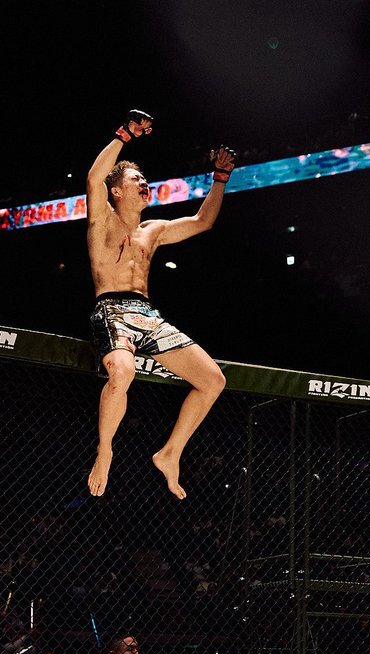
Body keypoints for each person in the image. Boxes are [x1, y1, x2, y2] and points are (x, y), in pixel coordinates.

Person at [85, 110, 235, 500]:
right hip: (112, 309)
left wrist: (220, 178)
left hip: (148, 315)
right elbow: (94, 178)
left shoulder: (153, 230)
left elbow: (202, 221)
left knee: (213, 380)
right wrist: (124, 134)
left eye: (144, 179)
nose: (144, 183)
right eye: (136, 179)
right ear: (117, 191)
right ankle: (105, 450)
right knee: (123, 371)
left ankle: (170, 453)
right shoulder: (102, 219)